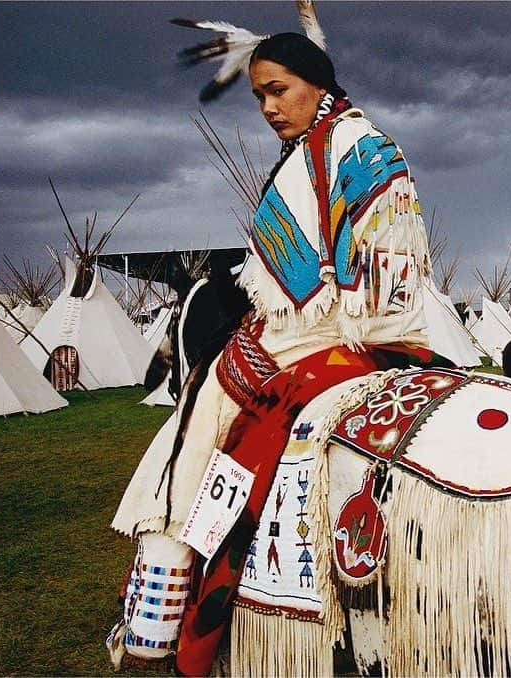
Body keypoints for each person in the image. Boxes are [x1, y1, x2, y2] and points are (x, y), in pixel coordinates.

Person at [107, 30, 450, 674]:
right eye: (259, 94)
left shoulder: (354, 150)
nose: (267, 107)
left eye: (278, 90)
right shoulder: (337, 145)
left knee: (201, 411)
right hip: (348, 328)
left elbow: (374, 269)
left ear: (316, 83)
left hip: (328, 334)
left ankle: (159, 612)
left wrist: (339, 329)